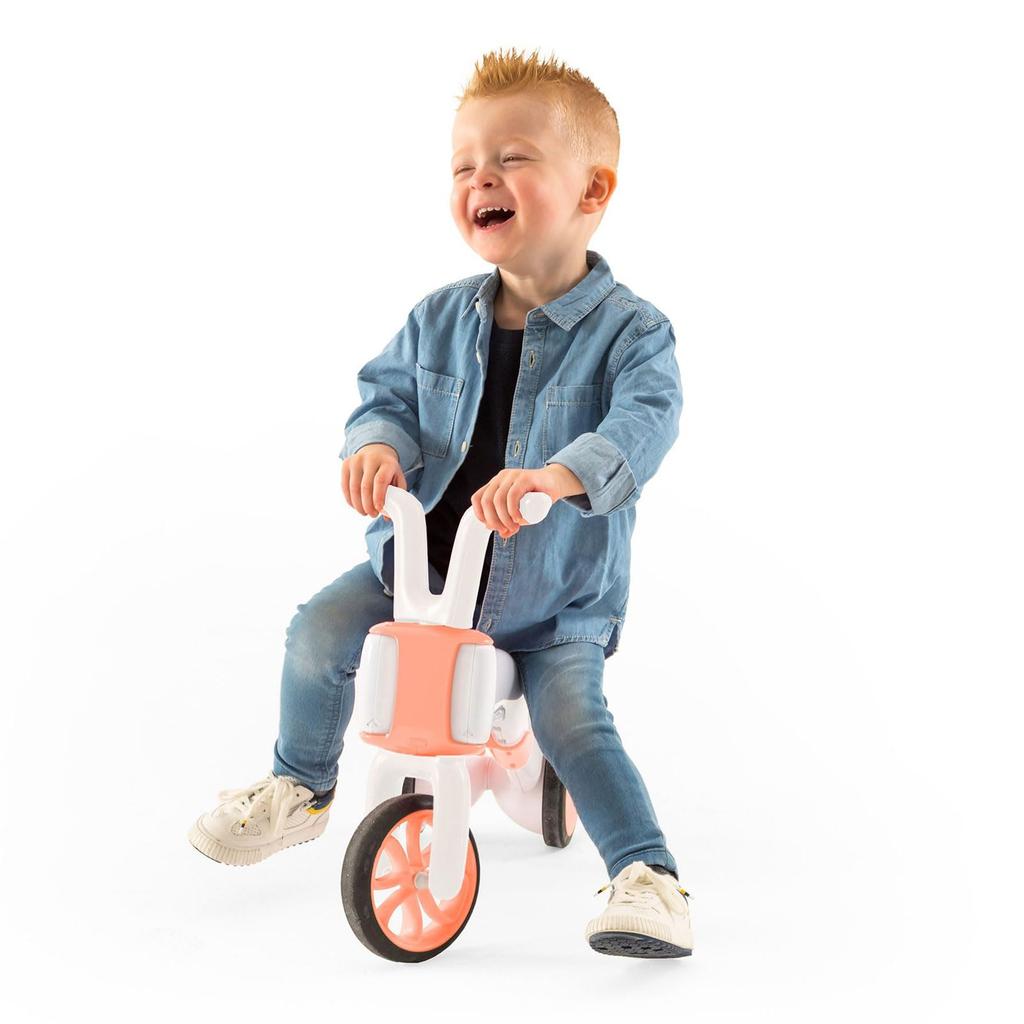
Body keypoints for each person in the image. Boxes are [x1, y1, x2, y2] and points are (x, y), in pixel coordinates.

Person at [188, 46, 693, 959]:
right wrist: (375, 444)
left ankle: (646, 876)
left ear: (592, 189)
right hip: (422, 577)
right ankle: (300, 785)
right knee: (319, 632)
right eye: (463, 166)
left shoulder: (634, 333)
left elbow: (644, 423)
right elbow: (384, 394)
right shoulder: (437, 318)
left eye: (511, 159)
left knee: (575, 722)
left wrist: (556, 477)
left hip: (554, 602)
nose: (480, 179)